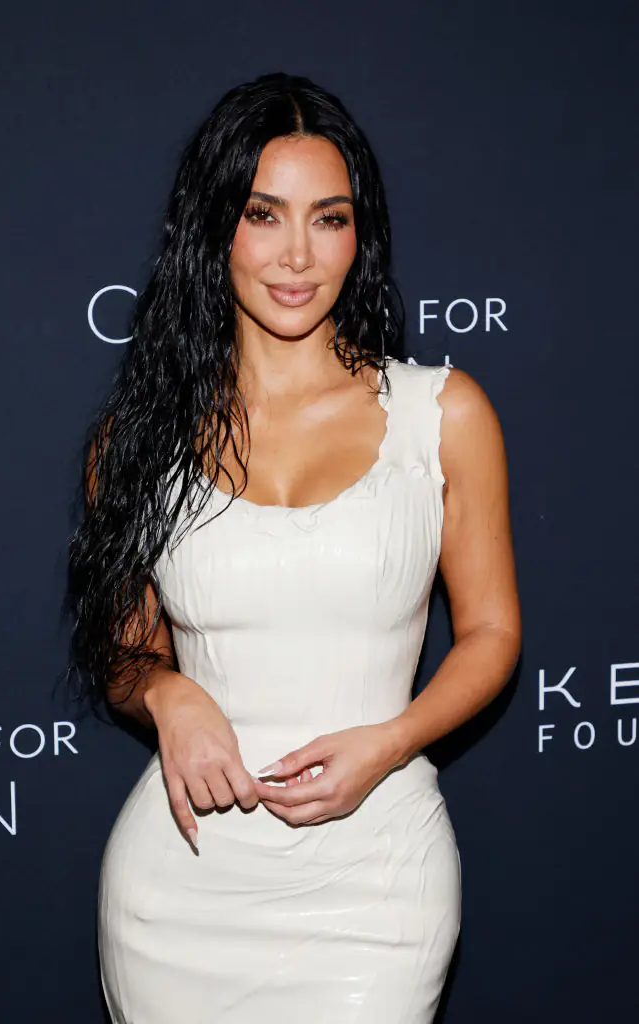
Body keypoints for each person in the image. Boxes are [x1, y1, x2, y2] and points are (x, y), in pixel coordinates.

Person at [66, 71, 521, 1024]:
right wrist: (166, 693)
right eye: (263, 214)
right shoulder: (140, 438)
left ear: (360, 234)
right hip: (181, 880)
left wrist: (390, 741)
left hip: (377, 872)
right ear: (214, 227)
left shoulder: (441, 414)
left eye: (329, 218)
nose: (298, 255)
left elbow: (489, 633)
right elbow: (123, 651)